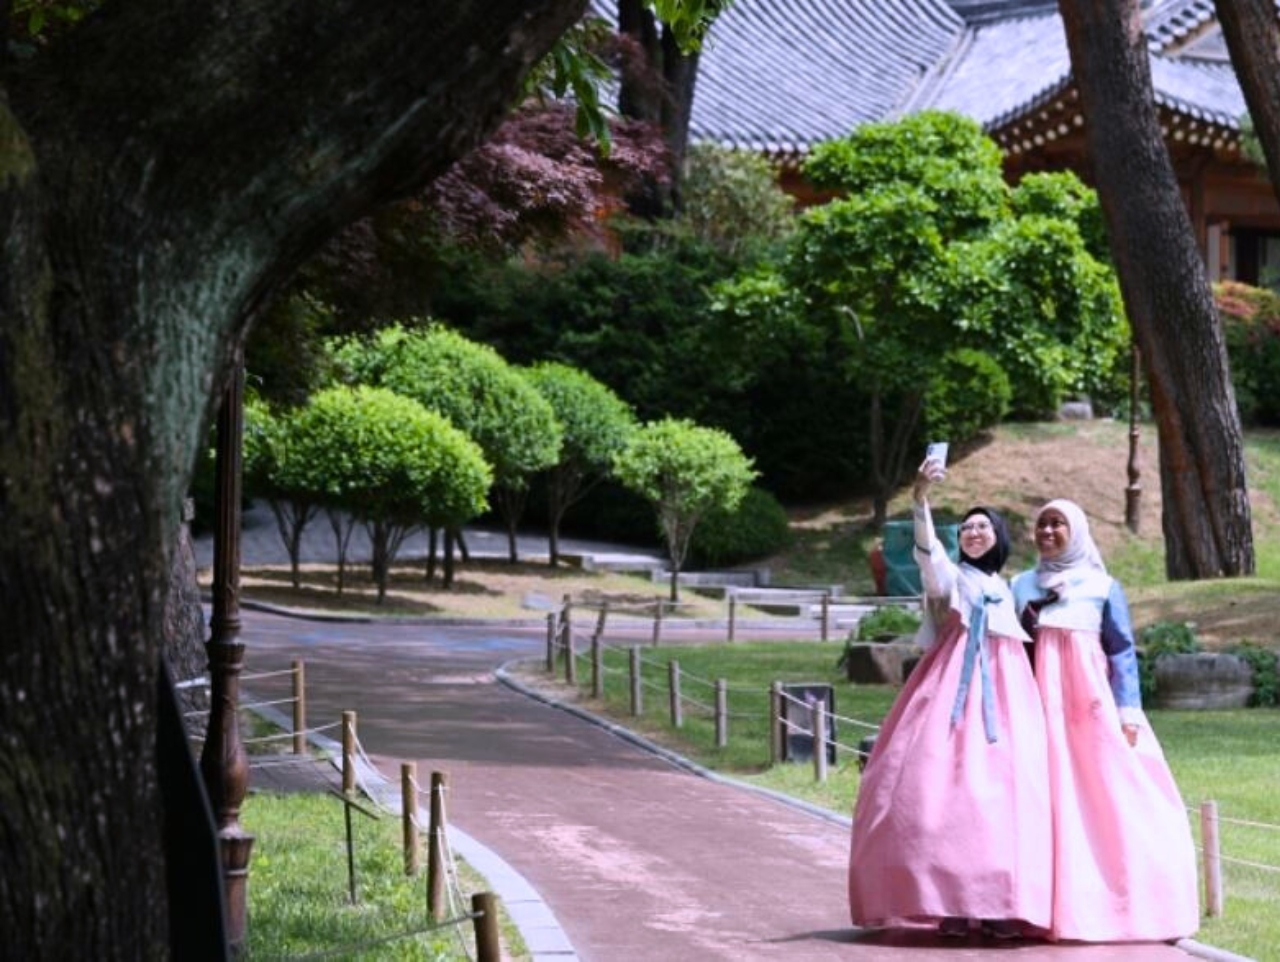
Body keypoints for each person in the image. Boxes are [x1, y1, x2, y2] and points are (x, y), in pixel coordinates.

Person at [848, 458, 1051, 940]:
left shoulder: (1008, 586)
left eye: (984, 527)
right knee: (944, 790)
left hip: (1008, 692)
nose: (974, 532)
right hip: (953, 686)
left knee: (1007, 794)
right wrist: (920, 500)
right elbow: (928, 556)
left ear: (999, 538)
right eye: (967, 527)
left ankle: (1002, 902)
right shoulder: (951, 577)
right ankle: (951, 900)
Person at [1011, 499, 1199, 942]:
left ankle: (1115, 899)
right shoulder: (1019, 585)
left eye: (1058, 523)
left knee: (1105, 793)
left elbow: (1121, 651)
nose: (1048, 531)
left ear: (1075, 530)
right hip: (1036, 705)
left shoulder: (1100, 585)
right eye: (1042, 524)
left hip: (1088, 709)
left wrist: (1127, 711)